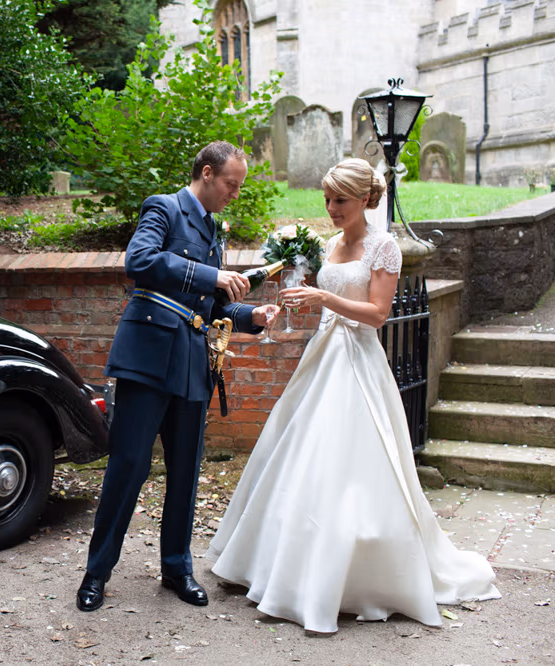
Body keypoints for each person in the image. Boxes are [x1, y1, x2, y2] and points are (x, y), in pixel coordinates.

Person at [205, 158, 500, 633]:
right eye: (327, 199)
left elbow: (379, 314)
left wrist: (325, 300)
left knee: (352, 464)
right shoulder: (328, 244)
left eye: (340, 199)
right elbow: (320, 298)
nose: (331, 208)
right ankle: (284, 565)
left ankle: (354, 572)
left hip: (358, 363)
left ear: (365, 197)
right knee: (299, 453)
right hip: (321, 357)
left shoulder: (384, 247)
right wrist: (295, 301)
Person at [77, 141, 279, 612]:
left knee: (186, 472)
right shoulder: (164, 209)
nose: (234, 193)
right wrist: (210, 277)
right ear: (207, 174)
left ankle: (177, 569)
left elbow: (213, 307)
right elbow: (139, 262)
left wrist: (252, 316)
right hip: (147, 359)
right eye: (231, 184)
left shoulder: (214, 230)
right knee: (129, 467)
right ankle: (96, 574)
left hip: (192, 365)